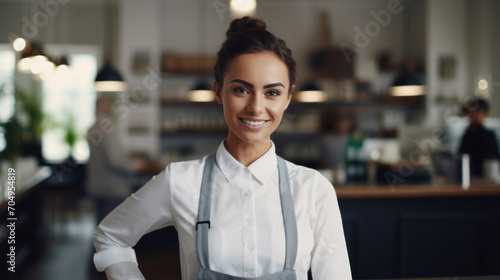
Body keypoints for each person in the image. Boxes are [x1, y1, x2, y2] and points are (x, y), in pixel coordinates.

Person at [93, 17, 351, 280]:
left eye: (272, 93)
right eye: (241, 89)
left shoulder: (314, 190)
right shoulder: (180, 181)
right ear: (218, 91)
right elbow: (110, 237)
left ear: (288, 98)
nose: (256, 107)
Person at [86, 96, 147, 224]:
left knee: (101, 226)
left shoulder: (92, 129)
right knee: (112, 228)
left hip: (98, 186)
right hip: (112, 188)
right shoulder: (107, 128)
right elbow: (114, 160)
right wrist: (135, 165)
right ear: (105, 107)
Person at [458, 98, 500, 177]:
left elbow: (494, 161)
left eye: (475, 111)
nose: (471, 114)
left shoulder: (487, 135)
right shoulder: (469, 132)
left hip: (483, 177)